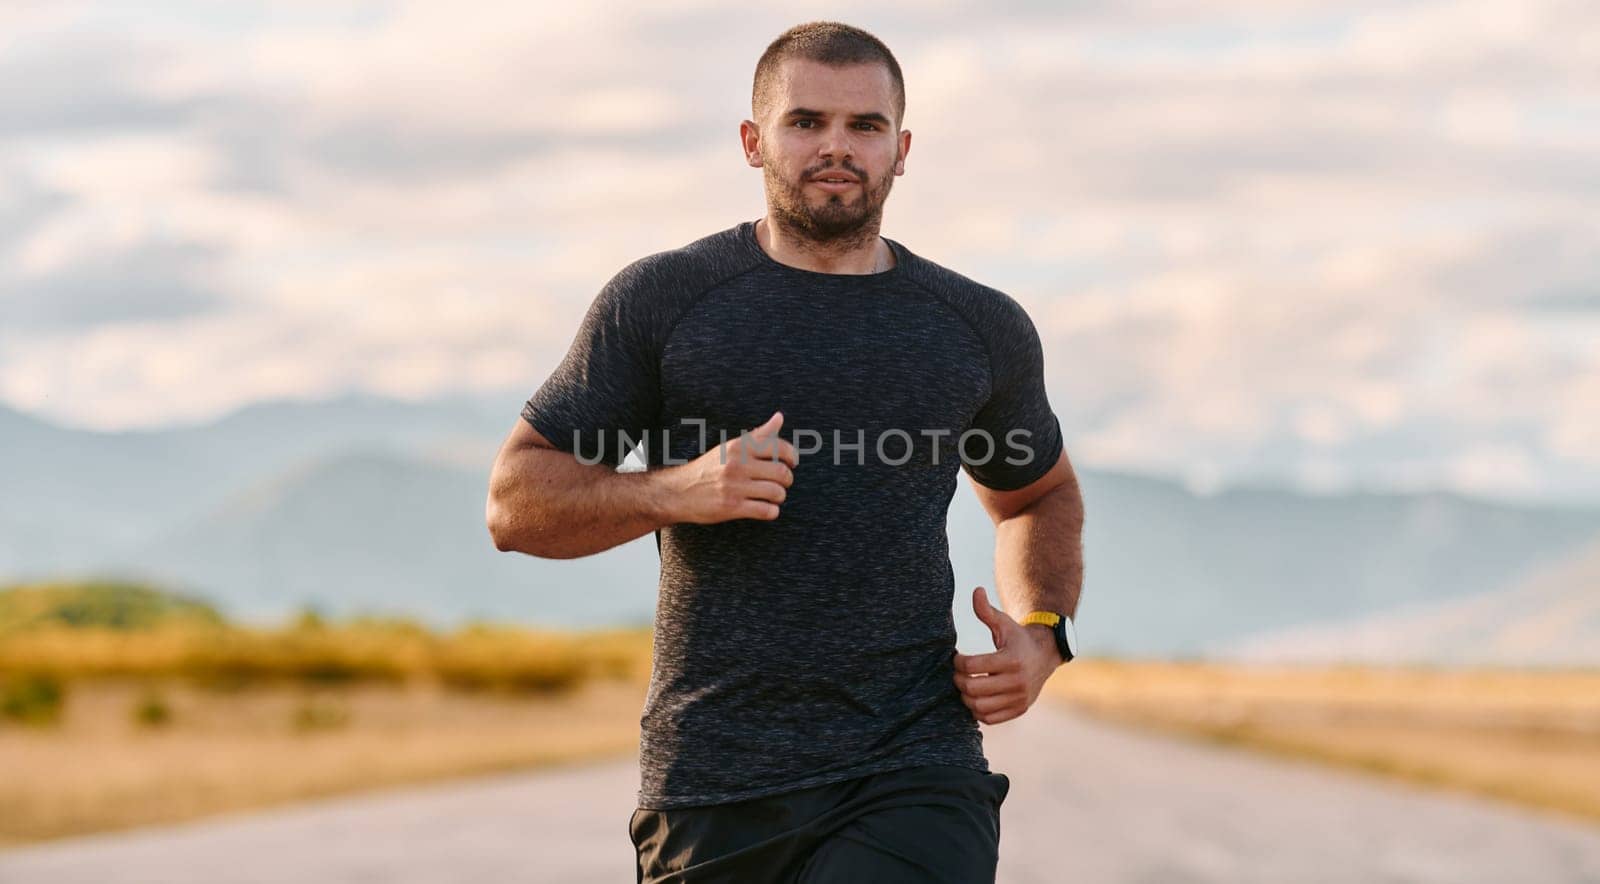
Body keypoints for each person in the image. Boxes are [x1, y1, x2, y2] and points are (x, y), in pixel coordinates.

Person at [487, 20, 1085, 884]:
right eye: (806, 122)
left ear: (902, 148)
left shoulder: (976, 327)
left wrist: (1043, 636)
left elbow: (1038, 495)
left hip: (916, 766)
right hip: (714, 778)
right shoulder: (664, 302)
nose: (836, 147)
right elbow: (514, 504)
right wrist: (672, 492)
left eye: (865, 126)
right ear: (752, 140)